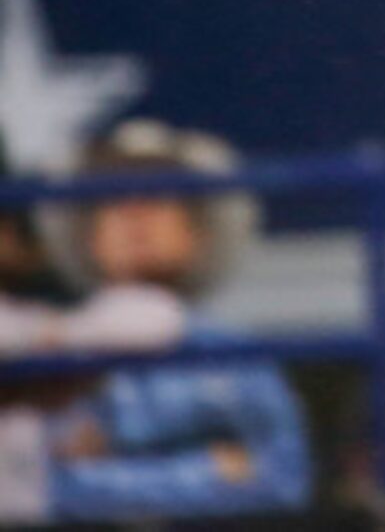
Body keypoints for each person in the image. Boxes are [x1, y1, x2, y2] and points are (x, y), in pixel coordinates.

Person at [27, 120, 311, 523]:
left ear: (199, 231)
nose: (134, 211)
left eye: (158, 193)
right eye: (111, 197)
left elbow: (283, 479)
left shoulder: (237, 355)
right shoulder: (51, 351)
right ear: (87, 235)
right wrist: (214, 469)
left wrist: (107, 472)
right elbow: (42, 490)